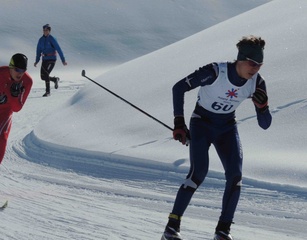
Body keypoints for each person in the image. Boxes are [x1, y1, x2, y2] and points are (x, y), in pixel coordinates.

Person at [161, 35, 272, 240]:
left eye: (260, 64)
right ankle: (171, 227)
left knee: (235, 177)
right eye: (252, 63)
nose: (255, 68)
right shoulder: (214, 71)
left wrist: (263, 108)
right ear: (240, 59)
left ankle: (222, 231)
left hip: (227, 128)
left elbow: (265, 125)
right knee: (198, 174)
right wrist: (179, 123)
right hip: (201, 124)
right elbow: (179, 87)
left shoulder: (257, 83)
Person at [0, 53, 33, 164]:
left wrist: (13, 96)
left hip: (5, 113)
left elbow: (16, 108)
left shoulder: (27, 81)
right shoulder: (1, 73)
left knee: (2, 139)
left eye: (23, 70)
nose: (20, 73)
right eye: (17, 69)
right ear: (11, 67)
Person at [34, 24, 67, 97]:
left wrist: (63, 60)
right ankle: (55, 80)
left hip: (52, 59)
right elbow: (38, 51)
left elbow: (59, 49)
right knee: (42, 77)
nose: (45, 31)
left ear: (49, 31)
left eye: (46, 30)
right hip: (44, 59)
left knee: (46, 74)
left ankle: (48, 92)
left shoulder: (52, 39)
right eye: (44, 30)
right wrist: (37, 60)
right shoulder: (41, 40)